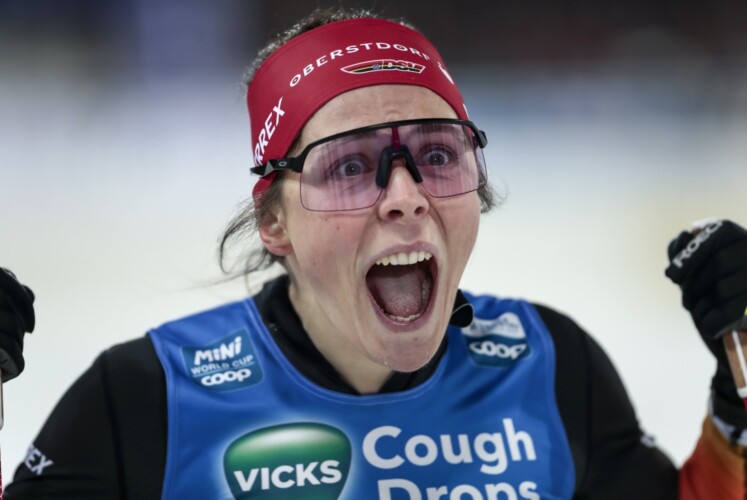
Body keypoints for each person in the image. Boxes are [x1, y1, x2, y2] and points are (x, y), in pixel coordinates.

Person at [2, 6, 747, 499]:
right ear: (273, 223)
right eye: (350, 166)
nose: (405, 195)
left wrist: (740, 394)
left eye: (437, 155)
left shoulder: (550, 366)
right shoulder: (146, 399)